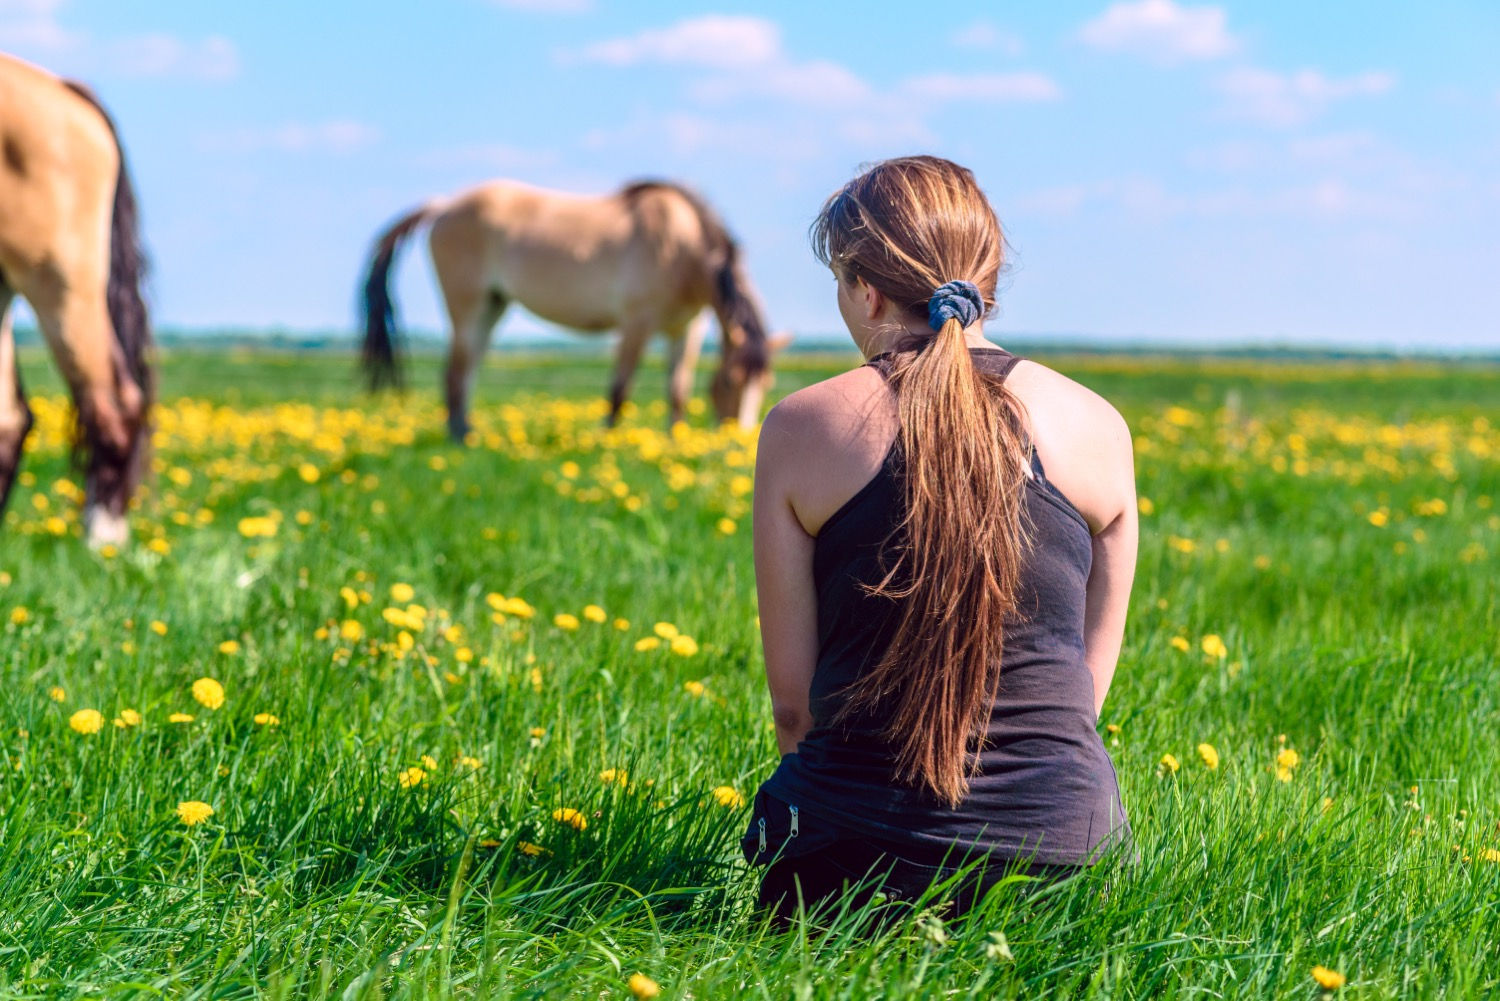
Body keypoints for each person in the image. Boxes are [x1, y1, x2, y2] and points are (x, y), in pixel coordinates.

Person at [745, 155, 1137, 925]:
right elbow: (1083, 696)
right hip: (1063, 860)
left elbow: (795, 712)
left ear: (864, 288)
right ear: (988, 280)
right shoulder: (1098, 424)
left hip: (851, 866)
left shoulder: (803, 425)